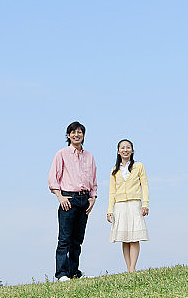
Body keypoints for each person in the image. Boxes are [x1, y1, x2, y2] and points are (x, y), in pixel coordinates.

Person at [47, 121, 97, 282]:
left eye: (80, 132)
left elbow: (93, 179)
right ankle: (62, 273)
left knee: (78, 239)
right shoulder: (61, 154)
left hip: (85, 199)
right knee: (64, 239)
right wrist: (60, 196)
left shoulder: (89, 156)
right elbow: (52, 178)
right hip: (68, 198)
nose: (77, 135)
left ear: (83, 135)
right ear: (68, 135)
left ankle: (74, 272)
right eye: (73, 132)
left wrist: (93, 197)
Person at [106, 139, 149, 272]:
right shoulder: (114, 170)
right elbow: (112, 192)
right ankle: (128, 267)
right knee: (124, 238)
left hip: (135, 204)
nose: (125, 150)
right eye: (122, 148)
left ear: (132, 151)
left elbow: (145, 186)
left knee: (134, 237)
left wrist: (145, 204)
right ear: (118, 151)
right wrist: (109, 210)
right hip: (120, 206)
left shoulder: (139, 166)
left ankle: (132, 268)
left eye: (128, 147)